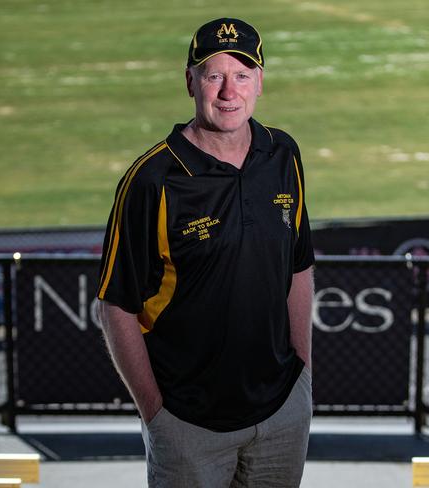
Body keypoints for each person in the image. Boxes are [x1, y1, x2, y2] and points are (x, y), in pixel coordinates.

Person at [96, 17, 315, 487]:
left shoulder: (283, 154)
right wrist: (156, 413)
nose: (228, 92)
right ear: (190, 81)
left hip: (281, 414)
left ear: (260, 81)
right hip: (188, 425)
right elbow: (115, 304)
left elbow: (299, 265)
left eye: (242, 74)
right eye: (214, 75)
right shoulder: (152, 180)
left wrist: (303, 373)